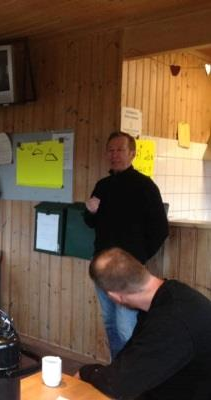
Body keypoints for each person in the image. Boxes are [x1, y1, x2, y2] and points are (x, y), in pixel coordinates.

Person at [78, 247, 211, 400]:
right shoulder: (168, 295)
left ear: (114, 296)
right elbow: (130, 360)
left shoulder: (171, 321)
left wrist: (86, 372)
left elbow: (120, 385)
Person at [83, 131, 168, 358]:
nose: (115, 155)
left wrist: (138, 259)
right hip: (101, 268)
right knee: (110, 323)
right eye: (111, 150)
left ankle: (134, 381)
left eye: (120, 150)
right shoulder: (102, 185)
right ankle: (117, 372)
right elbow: (91, 222)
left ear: (132, 153)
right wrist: (89, 212)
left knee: (126, 327)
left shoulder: (145, 186)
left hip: (128, 273)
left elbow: (161, 230)